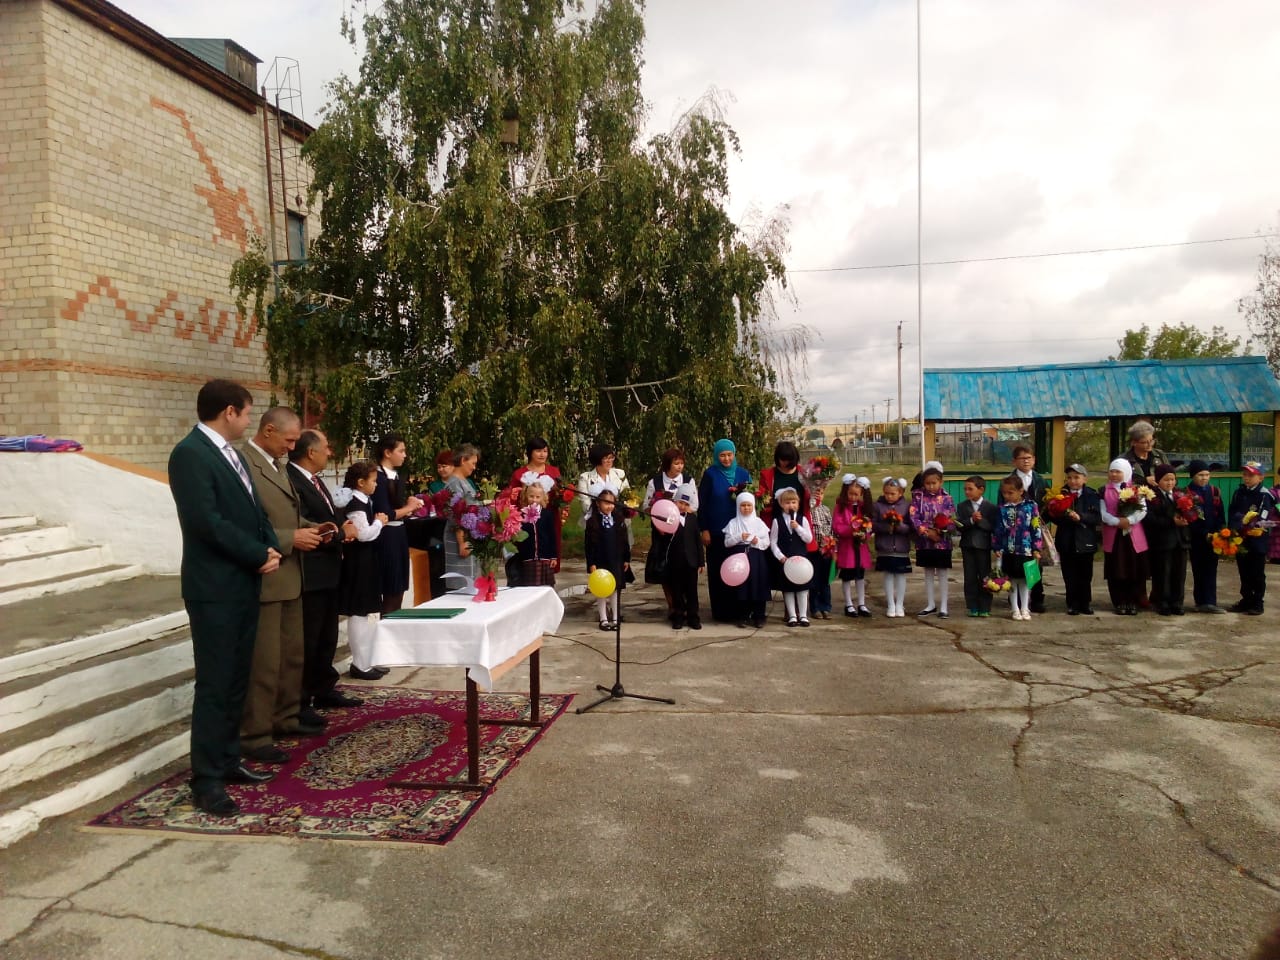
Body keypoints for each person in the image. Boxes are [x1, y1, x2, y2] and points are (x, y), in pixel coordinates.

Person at [168, 379, 280, 817]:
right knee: (216, 683)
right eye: (247, 413)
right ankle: (206, 779)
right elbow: (206, 522)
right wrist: (256, 553)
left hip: (243, 582)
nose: (249, 421)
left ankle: (228, 758)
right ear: (229, 411)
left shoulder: (230, 453)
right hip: (214, 588)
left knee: (236, 679)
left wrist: (270, 546)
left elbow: (254, 509)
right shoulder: (190, 454)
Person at [237, 406, 325, 767]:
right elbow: (244, 523)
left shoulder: (277, 465)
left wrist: (312, 528)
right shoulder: (244, 464)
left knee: (291, 656)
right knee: (265, 663)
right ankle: (255, 734)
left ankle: (285, 717)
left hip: (291, 576)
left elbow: (285, 513)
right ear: (269, 430)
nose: (292, 447)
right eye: (288, 440)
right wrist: (291, 538)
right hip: (267, 574)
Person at [286, 430, 362, 712]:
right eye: (326, 447)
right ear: (311, 452)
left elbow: (328, 515)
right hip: (311, 572)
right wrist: (341, 534)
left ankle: (324, 688)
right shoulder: (291, 480)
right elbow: (306, 524)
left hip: (330, 571)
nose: (330, 453)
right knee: (310, 638)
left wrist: (343, 527)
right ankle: (302, 700)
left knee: (327, 636)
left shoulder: (315, 480)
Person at [337, 460, 389, 678]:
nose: (375, 485)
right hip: (358, 562)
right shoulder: (355, 504)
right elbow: (363, 534)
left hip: (367, 561)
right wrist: (379, 523)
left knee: (367, 612)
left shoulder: (364, 500)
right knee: (358, 612)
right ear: (360, 482)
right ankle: (359, 664)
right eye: (373, 481)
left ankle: (367, 659)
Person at [698, 439, 753, 622]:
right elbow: (702, 504)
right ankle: (721, 612)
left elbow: (753, 501)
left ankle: (740, 611)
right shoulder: (710, 475)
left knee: (738, 569)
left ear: (734, 454)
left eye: (729, 454)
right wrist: (704, 529)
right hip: (716, 532)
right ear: (716, 456)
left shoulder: (743, 474)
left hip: (739, 532)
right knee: (718, 571)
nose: (726, 459)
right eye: (722, 455)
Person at [642, 447, 697, 620]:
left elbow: (695, 505)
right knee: (665, 570)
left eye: (681, 463)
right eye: (676, 463)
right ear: (668, 464)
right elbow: (646, 506)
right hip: (662, 533)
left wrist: (681, 510)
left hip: (682, 531)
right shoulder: (655, 482)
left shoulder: (688, 480)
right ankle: (672, 606)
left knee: (684, 568)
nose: (680, 467)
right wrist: (658, 514)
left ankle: (686, 605)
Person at [372, 434, 424, 614]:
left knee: (400, 587)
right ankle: (387, 626)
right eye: (401, 451)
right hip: (386, 536)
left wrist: (409, 508)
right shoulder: (378, 477)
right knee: (391, 589)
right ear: (387, 453)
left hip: (399, 534)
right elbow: (385, 513)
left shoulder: (396, 476)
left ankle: (395, 624)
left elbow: (396, 508)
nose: (404, 455)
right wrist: (408, 508)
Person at [1100, 458, 1150, 616]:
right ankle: (1119, 601)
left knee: (1134, 569)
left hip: (1133, 535)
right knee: (1117, 569)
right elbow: (1102, 512)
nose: (1114, 474)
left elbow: (1142, 510)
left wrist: (1129, 520)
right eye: (1111, 471)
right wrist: (1117, 522)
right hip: (1114, 535)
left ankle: (1133, 601)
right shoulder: (1103, 490)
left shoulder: (1136, 490)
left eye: (1118, 471)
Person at [1050, 464, 1101, 616]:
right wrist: (1061, 514)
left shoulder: (1092, 495)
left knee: (1085, 575)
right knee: (1069, 575)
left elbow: (1097, 517)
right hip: (1067, 540)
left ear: (1084, 479)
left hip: (1085, 541)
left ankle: (1085, 603)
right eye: (1070, 478)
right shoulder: (1060, 494)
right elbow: (1053, 516)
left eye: (1077, 477)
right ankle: (1072, 603)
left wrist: (1081, 517)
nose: (1073, 481)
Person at [992, 475, 1044, 621]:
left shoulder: (1031, 506)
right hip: (1009, 549)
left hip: (1026, 549)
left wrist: (1036, 548)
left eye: (1011, 492)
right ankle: (1015, 608)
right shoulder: (1002, 509)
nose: (1007, 496)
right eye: (1004, 493)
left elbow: (1035, 527)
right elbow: (998, 529)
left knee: (1026, 580)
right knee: (1012, 580)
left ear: (1020, 491)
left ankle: (1025, 607)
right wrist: (997, 547)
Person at [1228, 461, 1276, 615]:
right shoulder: (1239, 492)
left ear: (1261, 477)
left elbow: (1263, 515)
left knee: (1257, 572)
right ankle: (1246, 599)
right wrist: (1235, 527)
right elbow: (1232, 512)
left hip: (1257, 539)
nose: (1247, 478)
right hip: (1241, 538)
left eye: (1251, 475)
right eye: (1245, 475)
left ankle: (1257, 602)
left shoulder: (1265, 494)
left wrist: (1251, 524)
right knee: (1244, 570)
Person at [510, 437, 568, 564]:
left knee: (550, 547)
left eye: (545, 451)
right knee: (527, 551)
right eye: (538, 451)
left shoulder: (554, 471)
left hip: (549, 517)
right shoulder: (519, 474)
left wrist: (562, 500)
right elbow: (513, 500)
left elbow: (560, 494)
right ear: (530, 452)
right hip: (526, 520)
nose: (542, 454)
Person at [908, 462, 954, 619]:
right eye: (927, 483)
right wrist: (926, 532)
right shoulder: (918, 497)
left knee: (942, 572)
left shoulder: (947, 498)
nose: (931, 486)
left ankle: (944, 606)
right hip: (925, 541)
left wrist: (941, 531)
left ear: (941, 482)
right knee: (928, 572)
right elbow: (914, 517)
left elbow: (951, 518)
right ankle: (930, 604)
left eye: (934, 483)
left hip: (942, 542)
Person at [1144, 464, 1190, 616]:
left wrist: (1189, 517)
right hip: (1162, 541)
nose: (1170, 483)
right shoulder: (1152, 496)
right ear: (1158, 480)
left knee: (1179, 573)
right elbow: (1150, 518)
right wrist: (1171, 522)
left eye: (1172, 479)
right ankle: (1162, 602)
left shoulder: (1180, 494)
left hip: (1181, 540)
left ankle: (1177, 602)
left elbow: (1192, 510)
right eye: (1166, 480)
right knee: (1163, 573)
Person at [723, 490, 771, 629]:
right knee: (742, 586)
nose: (746, 508)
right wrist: (739, 537)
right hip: (738, 558)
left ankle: (759, 616)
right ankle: (743, 616)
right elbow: (727, 543)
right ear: (738, 506)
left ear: (753, 506)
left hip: (756, 557)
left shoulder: (759, 522)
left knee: (757, 584)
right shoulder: (733, 523)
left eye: (749, 505)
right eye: (743, 505)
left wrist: (757, 541)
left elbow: (766, 543)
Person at [1010, 445, 1049, 612]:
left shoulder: (1040, 480)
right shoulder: (1009, 480)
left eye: (1029, 458)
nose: (1026, 461)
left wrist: (1041, 521)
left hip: (1035, 529)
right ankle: (1017, 599)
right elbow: (1002, 504)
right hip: (1015, 530)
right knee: (1016, 564)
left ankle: (1036, 598)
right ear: (1015, 461)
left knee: (1035, 563)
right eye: (1022, 458)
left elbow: (1047, 504)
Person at [584, 487, 630, 629]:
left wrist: (626, 558)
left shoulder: (618, 519)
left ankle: (615, 618)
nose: (609, 506)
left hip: (616, 559)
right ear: (598, 503)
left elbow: (624, 540)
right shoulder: (592, 522)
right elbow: (589, 545)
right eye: (606, 503)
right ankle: (603, 618)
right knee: (601, 590)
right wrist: (591, 563)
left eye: (612, 503)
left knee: (615, 589)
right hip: (600, 560)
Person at [1185, 459, 1226, 613]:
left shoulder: (1214, 491)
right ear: (1193, 476)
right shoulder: (1187, 493)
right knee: (1198, 568)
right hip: (1197, 537)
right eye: (1200, 475)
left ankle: (1210, 601)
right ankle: (1200, 601)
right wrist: (1203, 533)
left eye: (1207, 475)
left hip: (1214, 537)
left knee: (1211, 568)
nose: (1204, 478)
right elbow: (1189, 518)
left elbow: (1220, 513)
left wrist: (1220, 531)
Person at [955, 475, 998, 618]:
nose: (967, 492)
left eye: (970, 489)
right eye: (965, 489)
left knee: (985, 576)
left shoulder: (990, 507)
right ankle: (972, 606)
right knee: (970, 577)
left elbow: (993, 527)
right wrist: (971, 520)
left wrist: (980, 521)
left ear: (981, 490)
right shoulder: (962, 506)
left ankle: (985, 606)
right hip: (967, 546)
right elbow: (959, 526)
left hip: (983, 546)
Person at [770, 487, 814, 627]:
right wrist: (780, 556)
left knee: (802, 589)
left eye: (794, 502)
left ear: (798, 504)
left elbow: (808, 538)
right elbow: (773, 542)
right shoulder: (777, 521)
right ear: (781, 504)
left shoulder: (802, 519)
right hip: (786, 561)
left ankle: (803, 615)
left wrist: (798, 528)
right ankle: (792, 616)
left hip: (801, 561)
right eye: (787, 503)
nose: (791, 505)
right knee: (788, 589)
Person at [663, 483, 705, 630]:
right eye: (680, 502)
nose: (682, 506)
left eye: (686, 504)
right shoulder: (669, 518)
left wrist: (701, 561)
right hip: (675, 561)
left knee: (692, 591)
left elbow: (697, 541)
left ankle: (693, 617)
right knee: (677, 590)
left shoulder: (692, 519)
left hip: (691, 562)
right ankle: (678, 616)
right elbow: (665, 538)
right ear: (675, 501)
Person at [831, 474, 874, 617]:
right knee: (847, 576)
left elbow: (869, 526)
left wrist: (865, 534)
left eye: (856, 494)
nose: (853, 497)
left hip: (860, 547)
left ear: (861, 494)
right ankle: (848, 604)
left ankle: (862, 603)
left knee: (860, 576)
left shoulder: (863, 508)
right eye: (851, 494)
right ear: (846, 492)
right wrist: (851, 530)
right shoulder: (840, 507)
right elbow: (837, 526)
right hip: (847, 546)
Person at [872, 477, 912, 618]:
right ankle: (890, 604)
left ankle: (900, 604)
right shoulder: (878, 506)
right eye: (887, 493)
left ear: (900, 493)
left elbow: (910, 526)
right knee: (888, 575)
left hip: (901, 547)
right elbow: (873, 524)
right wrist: (885, 527)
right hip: (885, 547)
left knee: (900, 575)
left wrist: (899, 526)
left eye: (893, 494)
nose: (889, 496)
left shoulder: (906, 506)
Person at [443, 444, 482, 585]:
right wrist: (462, 542)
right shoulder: (454, 483)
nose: (474, 467)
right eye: (473, 463)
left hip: (469, 536)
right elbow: (456, 514)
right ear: (463, 460)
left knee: (472, 580)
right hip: (460, 538)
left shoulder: (463, 481)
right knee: (462, 582)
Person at [508, 479, 557, 587]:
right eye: (531, 496)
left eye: (537, 497)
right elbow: (518, 538)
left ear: (543, 497)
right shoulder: (521, 515)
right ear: (526, 496)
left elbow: (552, 536)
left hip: (545, 558)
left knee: (545, 588)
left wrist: (553, 556)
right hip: (527, 559)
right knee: (530, 588)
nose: (534, 499)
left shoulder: (547, 514)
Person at [577, 443, 628, 527]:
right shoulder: (585, 478)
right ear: (597, 459)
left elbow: (627, 497)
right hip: (595, 523)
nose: (609, 461)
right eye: (605, 458)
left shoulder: (620, 474)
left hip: (619, 521)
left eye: (611, 457)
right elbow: (586, 504)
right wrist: (604, 512)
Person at [807, 477, 834, 620]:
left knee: (825, 580)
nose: (819, 496)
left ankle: (826, 607)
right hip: (813, 550)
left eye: (821, 493)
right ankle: (815, 607)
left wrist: (830, 543)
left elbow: (831, 528)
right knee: (814, 579)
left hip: (826, 550)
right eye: (816, 493)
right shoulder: (808, 510)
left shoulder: (826, 510)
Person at [1120, 420, 1169, 488]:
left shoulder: (1160, 455)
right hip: (1135, 494)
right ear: (1134, 443)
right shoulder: (1123, 460)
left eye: (1151, 440)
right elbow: (1119, 483)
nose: (1150, 444)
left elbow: (1171, 476)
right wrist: (1144, 481)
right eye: (1145, 442)